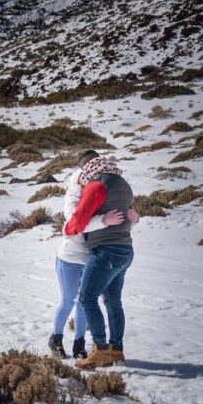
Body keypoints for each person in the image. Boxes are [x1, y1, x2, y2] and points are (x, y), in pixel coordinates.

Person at [64, 155, 139, 369]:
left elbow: (78, 220)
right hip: (125, 249)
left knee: (87, 298)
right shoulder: (123, 184)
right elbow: (131, 215)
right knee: (113, 301)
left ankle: (100, 350)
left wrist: (67, 230)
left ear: (87, 168)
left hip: (105, 252)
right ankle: (117, 349)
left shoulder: (97, 185)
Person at [49, 150, 109, 359]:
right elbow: (75, 222)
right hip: (69, 258)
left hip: (90, 258)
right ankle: (55, 339)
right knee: (67, 300)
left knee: (84, 302)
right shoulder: (74, 192)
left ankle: (79, 344)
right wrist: (102, 221)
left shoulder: (100, 188)